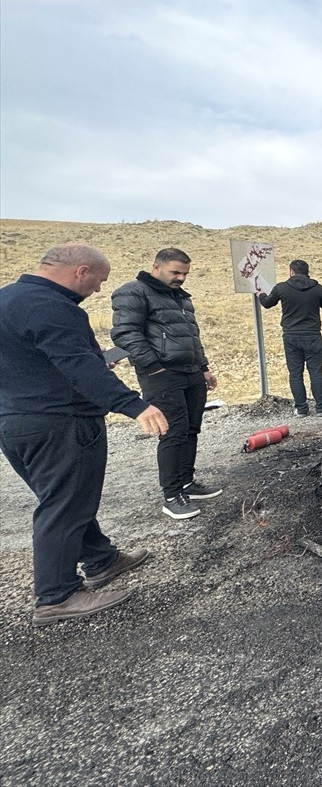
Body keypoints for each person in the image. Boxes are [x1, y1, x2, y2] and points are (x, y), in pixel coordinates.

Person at [0, 244, 170, 626]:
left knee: (64, 496)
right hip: (61, 422)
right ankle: (57, 595)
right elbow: (80, 367)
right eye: (98, 280)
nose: (96, 289)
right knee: (64, 504)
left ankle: (101, 558)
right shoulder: (52, 308)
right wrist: (134, 405)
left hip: (14, 421)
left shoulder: (6, 300)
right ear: (81, 271)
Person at [111, 247, 221, 520]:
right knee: (173, 432)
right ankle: (171, 495)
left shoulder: (181, 298)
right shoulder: (133, 292)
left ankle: (187, 483)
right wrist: (154, 368)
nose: (181, 278)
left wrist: (204, 367)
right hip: (162, 374)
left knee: (191, 429)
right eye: (175, 272)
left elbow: (191, 336)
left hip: (191, 372)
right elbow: (126, 334)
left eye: (185, 273)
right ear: (156, 267)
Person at [255, 259, 322, 416]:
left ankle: (302, 409)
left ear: (291, 271)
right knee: (316, 372)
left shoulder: (282, 288)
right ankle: (321, 408)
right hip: (312, 335)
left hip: (291, 336)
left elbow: (268, 303)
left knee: (295, 373)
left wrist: (261, 294)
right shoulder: (317, 288)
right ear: (307, 272)